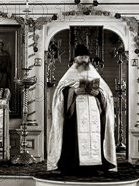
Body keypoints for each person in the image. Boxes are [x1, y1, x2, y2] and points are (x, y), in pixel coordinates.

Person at [47, 44, 117, 174]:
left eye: (86, 57)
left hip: (93, 112)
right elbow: (60, 93)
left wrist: (98, 94)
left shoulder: (93, 73)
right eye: (81, 57)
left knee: (95, 136)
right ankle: (72, 165)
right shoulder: (69, 74)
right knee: (73, 136)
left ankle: (95, 165)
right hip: (75, 113)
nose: (84, 60)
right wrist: (73, 91)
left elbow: (106, 93)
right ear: (75, 59)